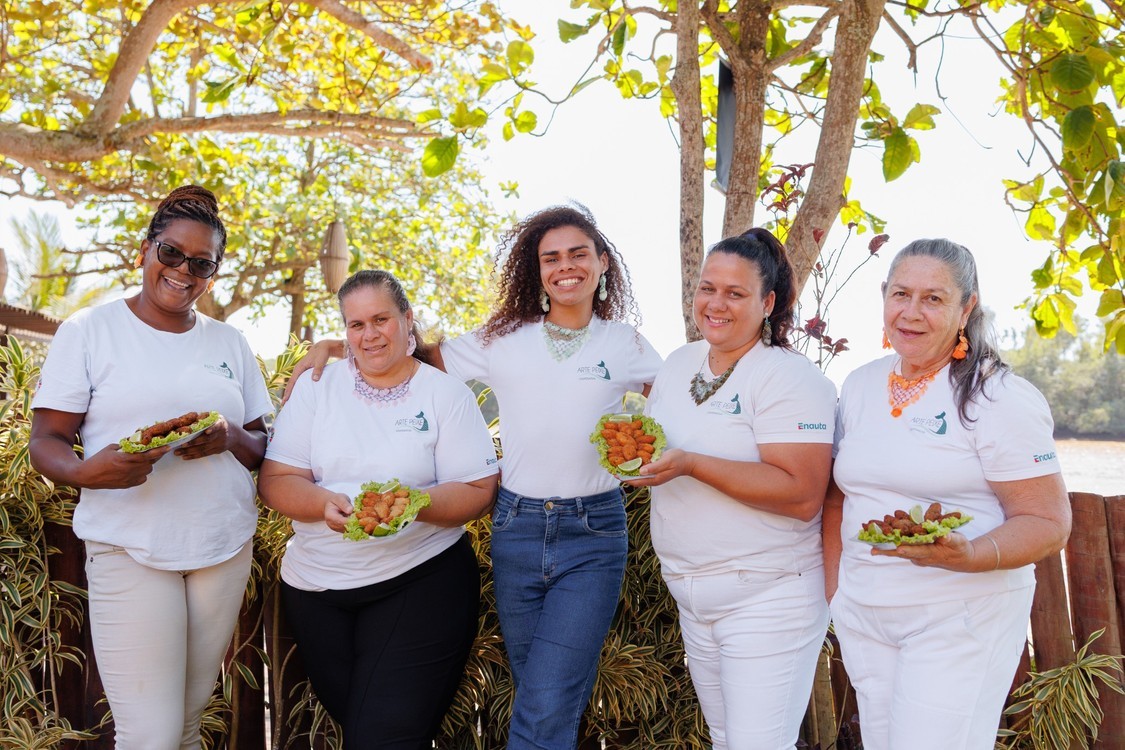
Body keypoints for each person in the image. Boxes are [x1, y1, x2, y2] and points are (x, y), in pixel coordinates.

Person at [285, 205, 662, 750]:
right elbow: (412, 352)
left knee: (547, 697)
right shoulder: (501, 337)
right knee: (538, 687)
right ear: (536, 271)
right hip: (518, 526)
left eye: (579, 254)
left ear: (603, 262)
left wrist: (645, 444)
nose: (565, 267)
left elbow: (672, 401)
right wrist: (337, 347)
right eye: (550, 257)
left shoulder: (626, 344)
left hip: (594, 532)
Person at [29, 186, 272, 750]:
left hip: (223, 545)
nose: (183, 271)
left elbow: (262, 446)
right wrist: (93, 472)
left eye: (201, 263)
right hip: (129, 543)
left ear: (213, 273)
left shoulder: (230, 342)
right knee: (152, 736)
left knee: (186, 727)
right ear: (145, 250)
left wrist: (229, 436)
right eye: (171, 253)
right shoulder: (90, 330)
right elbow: (47, 440)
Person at [822, 238, 1070, 750]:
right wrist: (837, 595)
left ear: (967, 307)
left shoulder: (997, 396)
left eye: (933, 299)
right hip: (866, 614)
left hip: (960, 617)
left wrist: (971, 553)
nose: (911, 313)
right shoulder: (860, 384)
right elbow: (838, 496)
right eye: (900, 294)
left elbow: (1048, 522)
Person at [258, 269, 499, 748]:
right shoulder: (316, 385)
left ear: (407, 320)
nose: (369, 335)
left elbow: (478, 489)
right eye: (356, 324)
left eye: (382, 319)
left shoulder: (445, 394)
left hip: (421, 581)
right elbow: (276, 481)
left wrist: (414, 504)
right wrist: (324, 503)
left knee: (382, 736)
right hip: (318, 591)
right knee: (371, 728)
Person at [625, 228, 837, 749]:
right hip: (692, 593)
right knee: (724, 739)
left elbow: (802, 491)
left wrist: (692, 464)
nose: (715, 303)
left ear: (767, 303)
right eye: (707, 288)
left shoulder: (789, 378)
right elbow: (659, 448)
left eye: (735, 293)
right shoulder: (678, 364)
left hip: (769, 593)